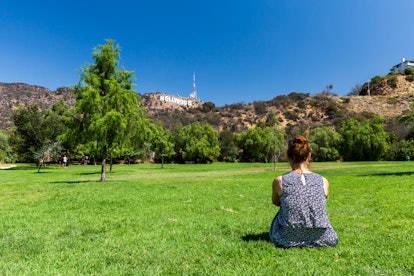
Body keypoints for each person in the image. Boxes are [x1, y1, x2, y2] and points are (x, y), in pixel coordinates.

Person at [269, 135, 338, 248]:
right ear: (309, 156)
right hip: (322, 237)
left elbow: (276, 202)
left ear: (288, 157)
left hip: (288, 238)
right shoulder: (323, 181)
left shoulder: (279, 181)